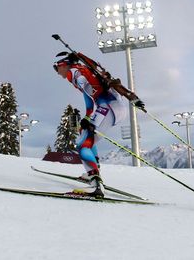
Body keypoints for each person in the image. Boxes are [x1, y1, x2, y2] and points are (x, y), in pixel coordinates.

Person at [54, 53, 141, 197]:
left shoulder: (74, 72)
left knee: (83, 145)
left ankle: (96, 184)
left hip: (108, 107)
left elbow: (88, 86)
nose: (57, 72)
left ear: (64, 64)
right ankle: (94, 171)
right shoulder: (84, 69)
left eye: (57, 68)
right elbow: (89, 100)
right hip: (114, 108)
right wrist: (88, 118)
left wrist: (91, 117)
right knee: (85, 132)